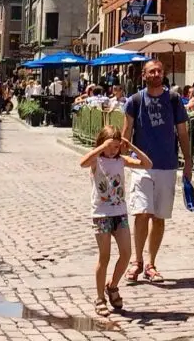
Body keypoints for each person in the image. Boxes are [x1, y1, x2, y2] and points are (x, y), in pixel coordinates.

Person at [122, 58, 191, 284]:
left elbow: (182, 132)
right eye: (152, 71)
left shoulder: (173, 100)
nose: (156, 74)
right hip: (141, 166)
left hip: (167, 165)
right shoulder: (135, 101)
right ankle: (136, 260)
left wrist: (188, 161)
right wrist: (121, 159)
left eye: (159, 71)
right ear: (144, 75)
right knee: (142, 212)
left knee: (159, 217)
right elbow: (126, 133)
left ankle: (151, 264)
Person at [80, 125, 152, 316]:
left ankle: (112, 286)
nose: (113, 151)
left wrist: (132, 147)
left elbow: (147, 164)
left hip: (120, 213)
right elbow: (83, 163)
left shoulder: (121, 161)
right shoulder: (97, 160)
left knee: (126, 253)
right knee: (104, 257)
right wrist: (101, 147)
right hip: (102, 214)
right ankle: (99, 298)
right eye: (111, 147)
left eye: (116, 147)